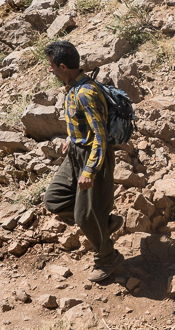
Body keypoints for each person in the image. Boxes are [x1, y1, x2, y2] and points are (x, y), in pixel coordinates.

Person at [42, 40, 124, 282]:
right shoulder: (72, 87)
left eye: (52, 66)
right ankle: (105, 223)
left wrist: (89, 170)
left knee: (84, 217)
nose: (50, 70)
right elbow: (85, 124)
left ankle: (108, 258)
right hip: (76, 152)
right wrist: (71, 136)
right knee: (53, 200)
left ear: (63, 66)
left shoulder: (86, 92)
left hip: (92, 156)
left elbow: (100, 136)